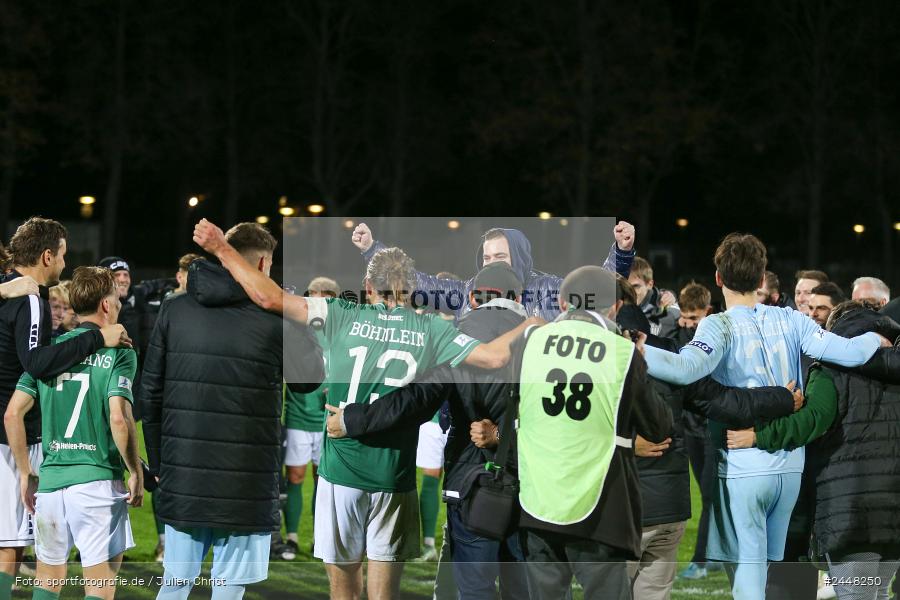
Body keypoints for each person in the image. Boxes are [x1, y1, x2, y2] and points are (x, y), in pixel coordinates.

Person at [192, 218, 538, 600]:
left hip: (341, 469)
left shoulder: (341, 313)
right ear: (411, 291)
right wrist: (530, 322)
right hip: (393, 475)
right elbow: (493, 356)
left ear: (369, 287)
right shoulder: (432, 331)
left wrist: (222, 249)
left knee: (344, 594)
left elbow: (268, 298)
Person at [641, 234, 887, 600]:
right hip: (789, 468)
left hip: (744, 464)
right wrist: (875, 338)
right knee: (772, 574)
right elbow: (850, 353)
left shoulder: (718, 325)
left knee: (749, 576)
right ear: (761, 280)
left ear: (719, 279)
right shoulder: (791, 319)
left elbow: (683, 368)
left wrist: (634, 348)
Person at [325, 262, 532, 600]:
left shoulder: (455, 334)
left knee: (474, 589)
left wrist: (354, 420)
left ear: (473, 299)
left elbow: (416, 400)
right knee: (526, 589)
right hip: (532, 483)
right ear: (520, 297)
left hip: (470, 481)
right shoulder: (541, 336)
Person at [142, 223, 325, 600]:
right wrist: (289, 310)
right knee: (229, 589)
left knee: (175, 586)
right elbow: (311, 379)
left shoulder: (175, 310)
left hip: (183, 474)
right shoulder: (277, 321)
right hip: (246, 483)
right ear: (261, 266)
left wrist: (160, 465)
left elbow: (150, 394)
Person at [726, 301, 900, 600]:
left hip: (851, 510)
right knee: (879, 593)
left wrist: (758, 436)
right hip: (894, 509)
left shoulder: (830, 370)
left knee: (856, 595)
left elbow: (812, 420)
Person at [0, 217, 128, 600]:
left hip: (9, 435)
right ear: (46, 255)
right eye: (62, 256)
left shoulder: (9, 288)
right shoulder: (29, 297)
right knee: (12, 547)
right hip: (13, 441)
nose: (63, 264)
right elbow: (36, 363)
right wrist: (95, 338)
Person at [350, 220, 636, 320]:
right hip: (472, 414)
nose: (493, 263)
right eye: (487, 258)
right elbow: (418, 283)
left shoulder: (548, 289)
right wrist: (372, 249)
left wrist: (621, 253)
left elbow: (596, 291)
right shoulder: (466, 291)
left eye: (501, 255)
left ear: (521, 257)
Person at [275, 276, 340, 562]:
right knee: (296, 478)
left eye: (326, 296)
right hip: (299, 416)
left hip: (328, 419)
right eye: (315, 295)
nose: (320, 300)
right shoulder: (295, 327)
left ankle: (318, 538)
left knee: (322, 481)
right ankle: (291, 538)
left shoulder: (339, 330)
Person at [627, 256, 680, 337]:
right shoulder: (612, 307)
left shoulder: (671, 313)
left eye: (636, 286)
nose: (630, 292)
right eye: (625, 286)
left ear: (649, 284)